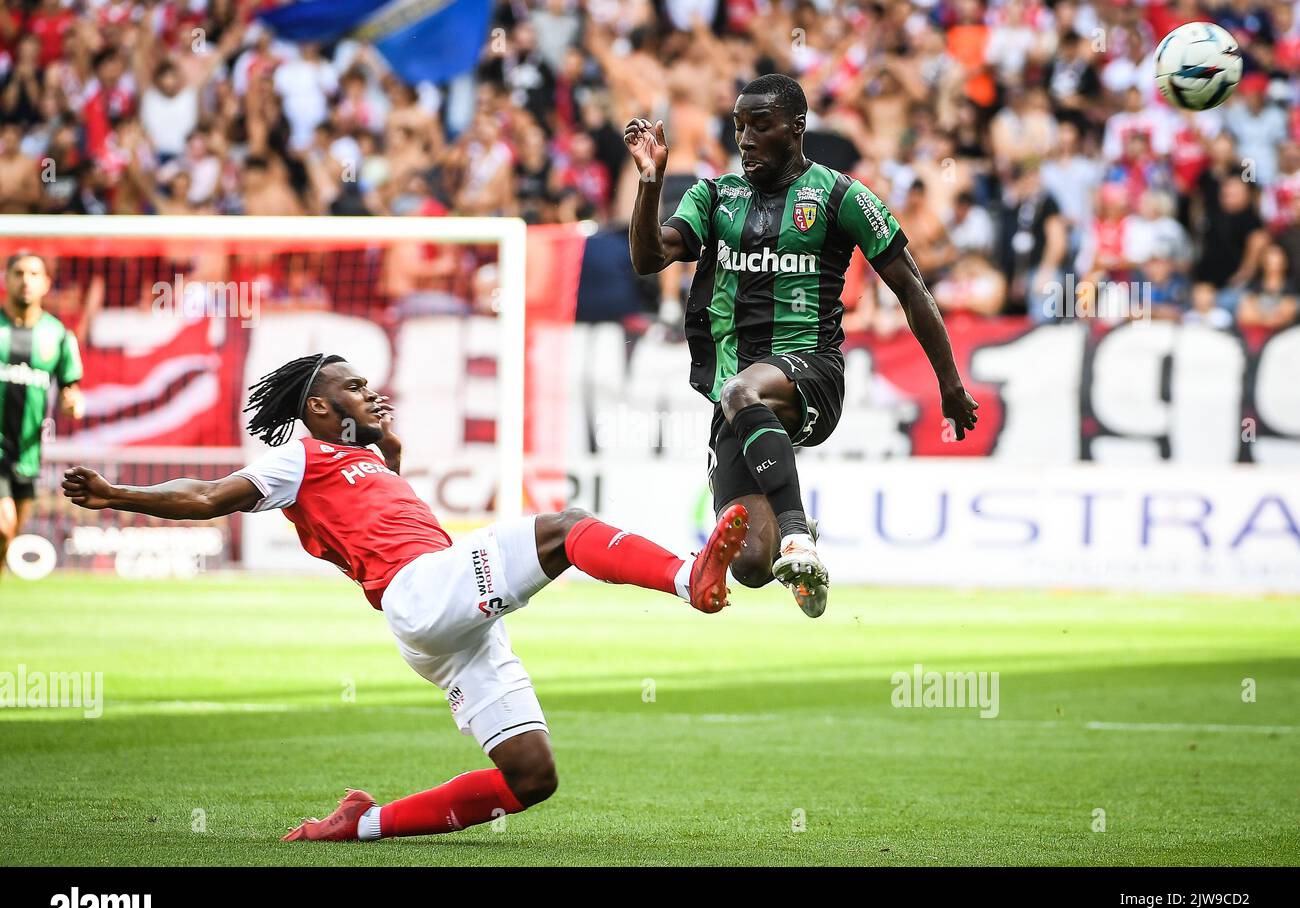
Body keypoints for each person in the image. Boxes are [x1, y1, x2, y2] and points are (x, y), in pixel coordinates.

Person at [62, 353, 749, 842]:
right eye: (356, 387)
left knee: (532, 777)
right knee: (564, 528)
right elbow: (210, 496)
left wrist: (386, 447)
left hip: (442, 624)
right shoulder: (300, 457)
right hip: (422, 591)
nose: (372, 391)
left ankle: (363, 821)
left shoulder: (361, 457)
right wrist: (118, 494)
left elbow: (378, 493)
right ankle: (687, 577)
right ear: (321, 408)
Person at [624, 74, 979, 619]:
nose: (745, 139)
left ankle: (796, 536)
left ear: (796, 127)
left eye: (759, 126)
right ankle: (793, 536)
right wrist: (650, 182)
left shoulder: (841, 196)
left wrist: (950, 385)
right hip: (735, 395)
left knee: (744, 391)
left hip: (810, 371)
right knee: (748, 563)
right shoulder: (715, 196)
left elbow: (912, 289)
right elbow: (650, 258)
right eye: (739, 127)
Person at [0, 252, 84, 576]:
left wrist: (73, 402)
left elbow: (70, 387)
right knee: (3, 526)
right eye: (19, 273)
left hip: (28, 452)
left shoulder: (58, 335)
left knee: (9, 536)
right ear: (6, 279)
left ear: (46, 284)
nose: (26, 281)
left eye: (34, 274)